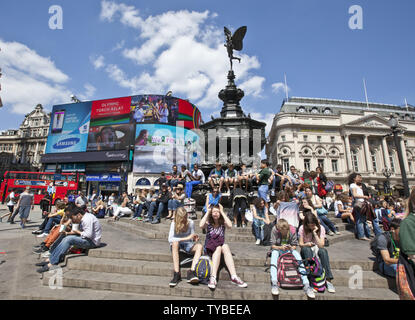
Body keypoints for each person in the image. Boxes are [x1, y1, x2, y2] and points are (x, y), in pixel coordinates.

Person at [36, 206, 102, 273]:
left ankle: (53, 262)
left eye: (73, 218)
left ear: (78, 215)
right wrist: (68, 232)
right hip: (86, 238)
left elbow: (88, 235)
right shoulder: (84, 218)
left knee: (69, 239)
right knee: (65, 236)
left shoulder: (87, 219)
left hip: (92, 242)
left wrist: (76, 232)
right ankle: (51, 258)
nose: (73, 220)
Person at [199, 204, 247, 290]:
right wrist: (208, 212)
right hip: (210, 249)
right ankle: (213, 277)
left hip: (219, 249)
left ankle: (234, 276)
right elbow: (201, 225)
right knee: (219, 247)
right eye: (214, 212)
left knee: (225, 246)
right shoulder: (209, 222)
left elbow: (230, 225)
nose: (216, 213)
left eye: (217, 212)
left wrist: (222, 211)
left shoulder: (222, 223)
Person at [269, 218, 315, 298]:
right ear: (279, 229)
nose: (284, 233)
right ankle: (274, 282)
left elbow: (294, 245)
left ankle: (306, 283)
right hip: (278, 249)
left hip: (289, 250)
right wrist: (280, 248)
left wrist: (290, 247)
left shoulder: (292, 230)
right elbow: (272, 245)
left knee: (297, 255)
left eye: (285, 231)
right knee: (274, 254)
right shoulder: (274, 230)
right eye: (282, 231)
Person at [299, 212, 336, 293]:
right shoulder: (302, 228)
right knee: (306, 249)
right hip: (306, 251)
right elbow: (300, 244)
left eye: (313, 224)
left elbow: (321, 245)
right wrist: (307, 244)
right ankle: (311, 279)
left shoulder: (321, 228)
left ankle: (328, 280)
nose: (311, 226)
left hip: (317, 249)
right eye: (309, 225)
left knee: (323, 251)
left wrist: (315, 233)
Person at [168, 207, 203, 287]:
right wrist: (186, 238)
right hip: (177, 245)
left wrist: (194, 238)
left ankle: (192, 271)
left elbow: (192, 236)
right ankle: (177, 273)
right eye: (182, 218)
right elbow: (170, 239)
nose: (184, 220)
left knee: (199, 246)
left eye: (185, 217)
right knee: (175, 243)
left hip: (187, 244)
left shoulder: (191, 222)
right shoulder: (173, 223)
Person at [349, 173, 371, 241]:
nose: (360, 179)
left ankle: (366, 234)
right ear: (354, 179)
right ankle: (361, 235)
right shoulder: (353, 185)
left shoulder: (357, 186)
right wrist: (364, 196)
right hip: (359, 203)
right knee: (360, 219)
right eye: (358, 177)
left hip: (362, 203)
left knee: (363, 219)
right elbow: (355, 195)